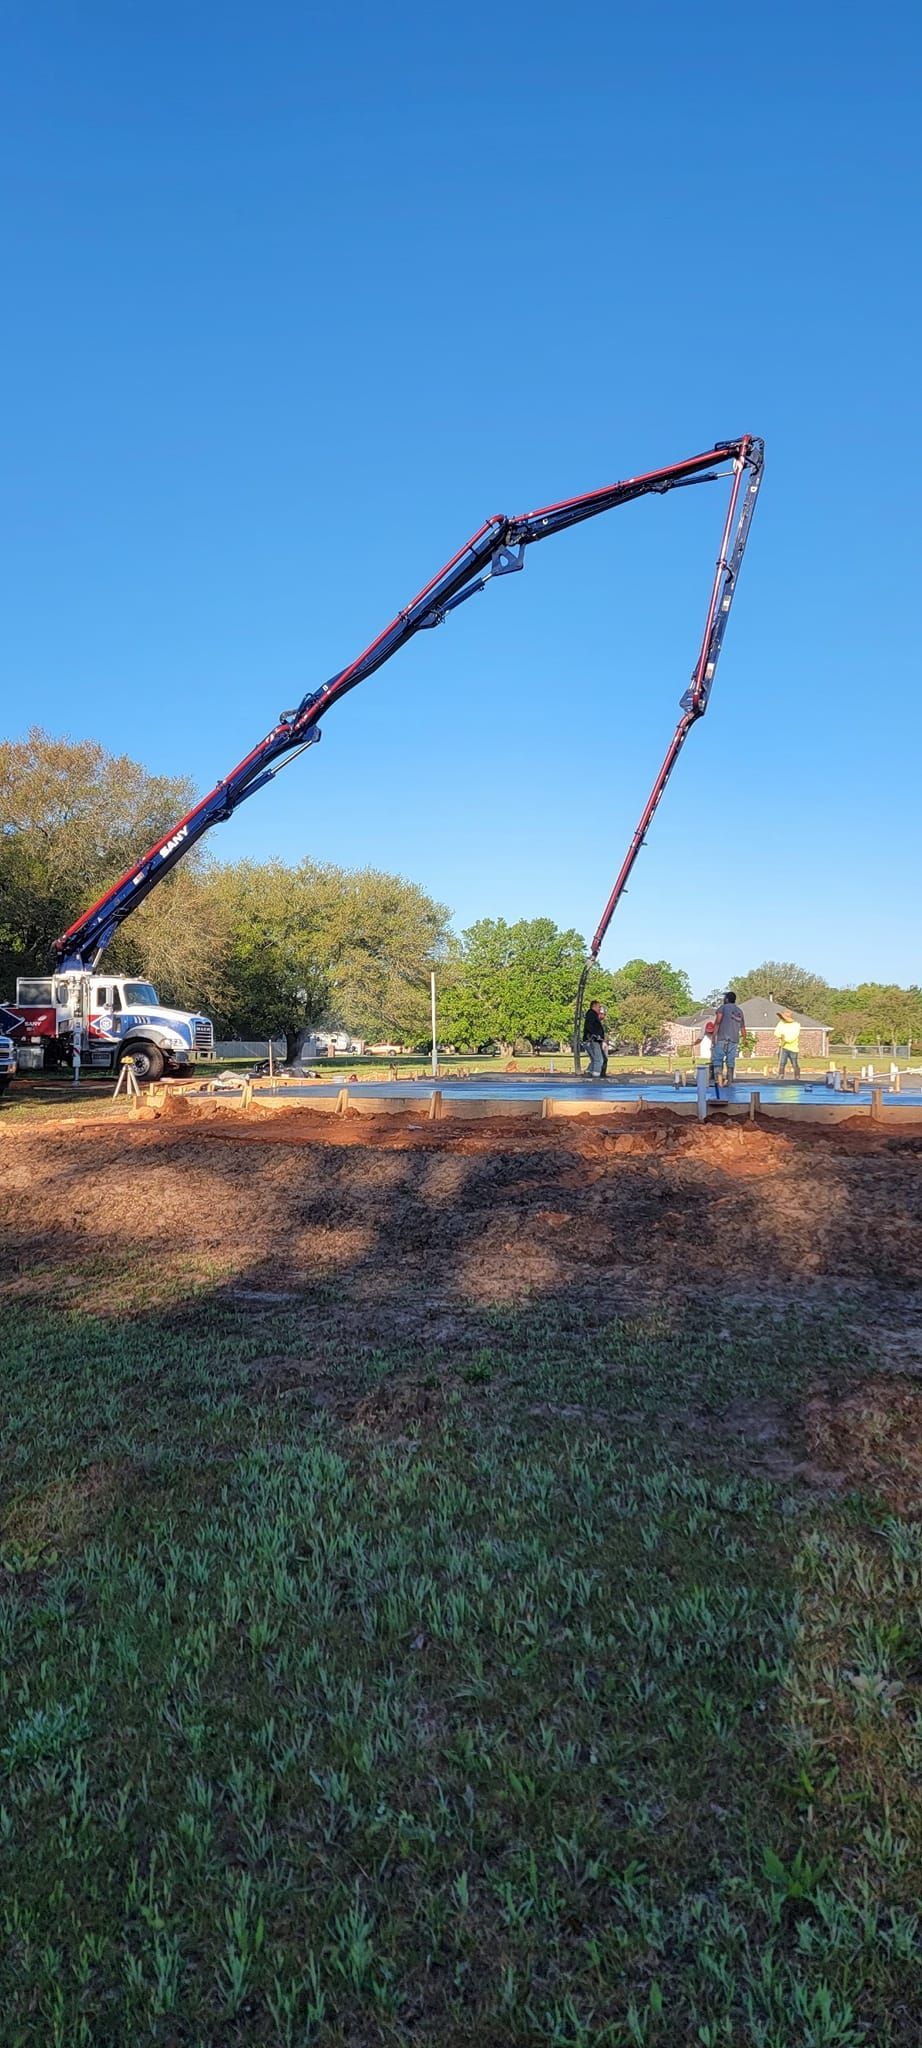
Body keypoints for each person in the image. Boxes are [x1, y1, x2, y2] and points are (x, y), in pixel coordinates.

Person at [711, 990, 745, 1085]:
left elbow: (718, 1022)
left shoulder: (722, 1008)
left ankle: (719, 1082)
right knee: (730, 1061)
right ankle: (730, 1082)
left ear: (726, 999)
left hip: (722, 1038)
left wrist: (714, 1035)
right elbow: (742, 1027)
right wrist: (744, 1039)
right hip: (734, 1039)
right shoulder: (739, 1011)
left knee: (718, 1060)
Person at [774, 1009, 801, 1079]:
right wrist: (780, 1036)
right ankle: (781, 1075)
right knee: (782, 1062)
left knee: (794, 1063)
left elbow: (794, 1036)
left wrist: (785, 1040)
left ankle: (797, 1076)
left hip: (793, 1048)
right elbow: (776, 1032)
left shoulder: (796, 1025)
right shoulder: (781, 1023)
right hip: (783, 1047)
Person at [583, 999, 606, 1078]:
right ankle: (596, 1075)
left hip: (590, 1039)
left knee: (594, 1059)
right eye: (599, 1007)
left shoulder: (592, 1015)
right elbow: (590, 1026)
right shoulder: (591, 1014)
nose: (600, 1009)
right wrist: (595, 1035)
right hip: (592, 1040)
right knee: (599, 1060)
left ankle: (588, 1072)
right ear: (594, 1006)